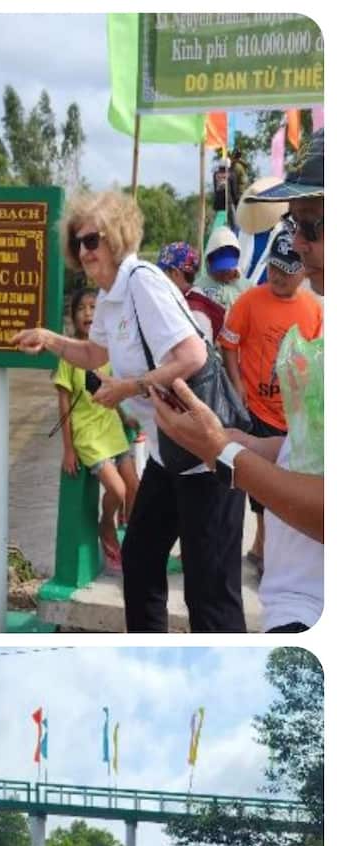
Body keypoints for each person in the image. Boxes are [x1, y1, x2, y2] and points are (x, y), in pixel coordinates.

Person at [14, 188, 241, 633]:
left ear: (117, 239)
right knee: (138, 562)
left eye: (93, 240)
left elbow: (192, 356)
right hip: (165, 453)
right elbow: (95, 351)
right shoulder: (111, 295)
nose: (84, 252)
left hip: (205, 458)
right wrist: (49, 338)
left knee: (208, 595)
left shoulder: (142, 282)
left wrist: (127, 389)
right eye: (78, 243)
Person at [154, 129, 324, 633]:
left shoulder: (312, 311)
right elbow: (310, 452)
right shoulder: (251, 303)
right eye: (293, 224)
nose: (296, 243)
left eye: (311, 227)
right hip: (295, 597)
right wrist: (238, 437)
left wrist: (223, 453)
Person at [218, 226, 323, 571]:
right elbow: (230, 344)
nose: (278, 277)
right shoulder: (249, 300)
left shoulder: (314, 309)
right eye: (274, 268)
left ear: (302, 273)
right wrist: (238, 385)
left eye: (286, 271)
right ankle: (262, 545)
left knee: (293, 480)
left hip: (295, 415)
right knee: (260, 483)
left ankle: (271, 548)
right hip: (258, 410)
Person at [52, 287, 138, 569]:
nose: (88, 313)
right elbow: (64, 404)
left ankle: (135, 543)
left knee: (134, 487)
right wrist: (68, 450)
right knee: (118, 490)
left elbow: (115, 389)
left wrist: (126, 416)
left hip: (111, 424)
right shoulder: (68, 354)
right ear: (74, 317)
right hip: (88, 434)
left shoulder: (108, 349)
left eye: (93, 307)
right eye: (81, 308)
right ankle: (106, 525)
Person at [158, 241, 224, 342]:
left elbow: (203, 354)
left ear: (175, 273)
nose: (159, 278)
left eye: (163, 272)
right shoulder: (182, 299)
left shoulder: (196, 311)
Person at [197, 225, 251, 310]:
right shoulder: (198, 288)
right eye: (220, 270)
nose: (225, 274)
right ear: (209, 264)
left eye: (228, 269)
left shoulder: (249, 289)